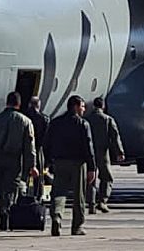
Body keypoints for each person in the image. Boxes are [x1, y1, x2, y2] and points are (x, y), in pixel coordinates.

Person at [0, 91, 38, 231]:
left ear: (6, 102)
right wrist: (32, 165)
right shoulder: (25, 121)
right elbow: (30, 146)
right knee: (12, 188)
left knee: (0, 187)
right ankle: (8, 212)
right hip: (15, 159)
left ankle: (2, 211)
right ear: (19, 104)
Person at [44, 94, 96, 237]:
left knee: (58, 192)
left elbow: (47, 144)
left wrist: (47, 162)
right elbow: (88, 147)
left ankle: (56, 216)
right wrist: (92, 168)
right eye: (82, 106)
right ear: (75, 106)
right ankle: (77, 226)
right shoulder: (82, 124)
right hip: (78, 164)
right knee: (79, 196)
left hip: (60, 163)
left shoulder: (55, 122)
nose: (84, 109)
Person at [85, 97, 125, 214]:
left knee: (90, 178)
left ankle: (91, 203)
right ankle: (102, 201)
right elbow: (115, 137)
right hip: (103, 152)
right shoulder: (108, 120)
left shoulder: (87, 119)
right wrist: (119, 152)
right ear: (103, 106)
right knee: (107, 177)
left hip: (89, 152)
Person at [24, 95, 50, 201]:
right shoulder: (45, 119)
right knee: (38, 176)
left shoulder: (24, 118)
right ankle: (38, 196)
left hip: (25, 149)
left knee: (24, 174)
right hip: (38, 148)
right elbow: (47, 138)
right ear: (39, 105)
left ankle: (23, 195)